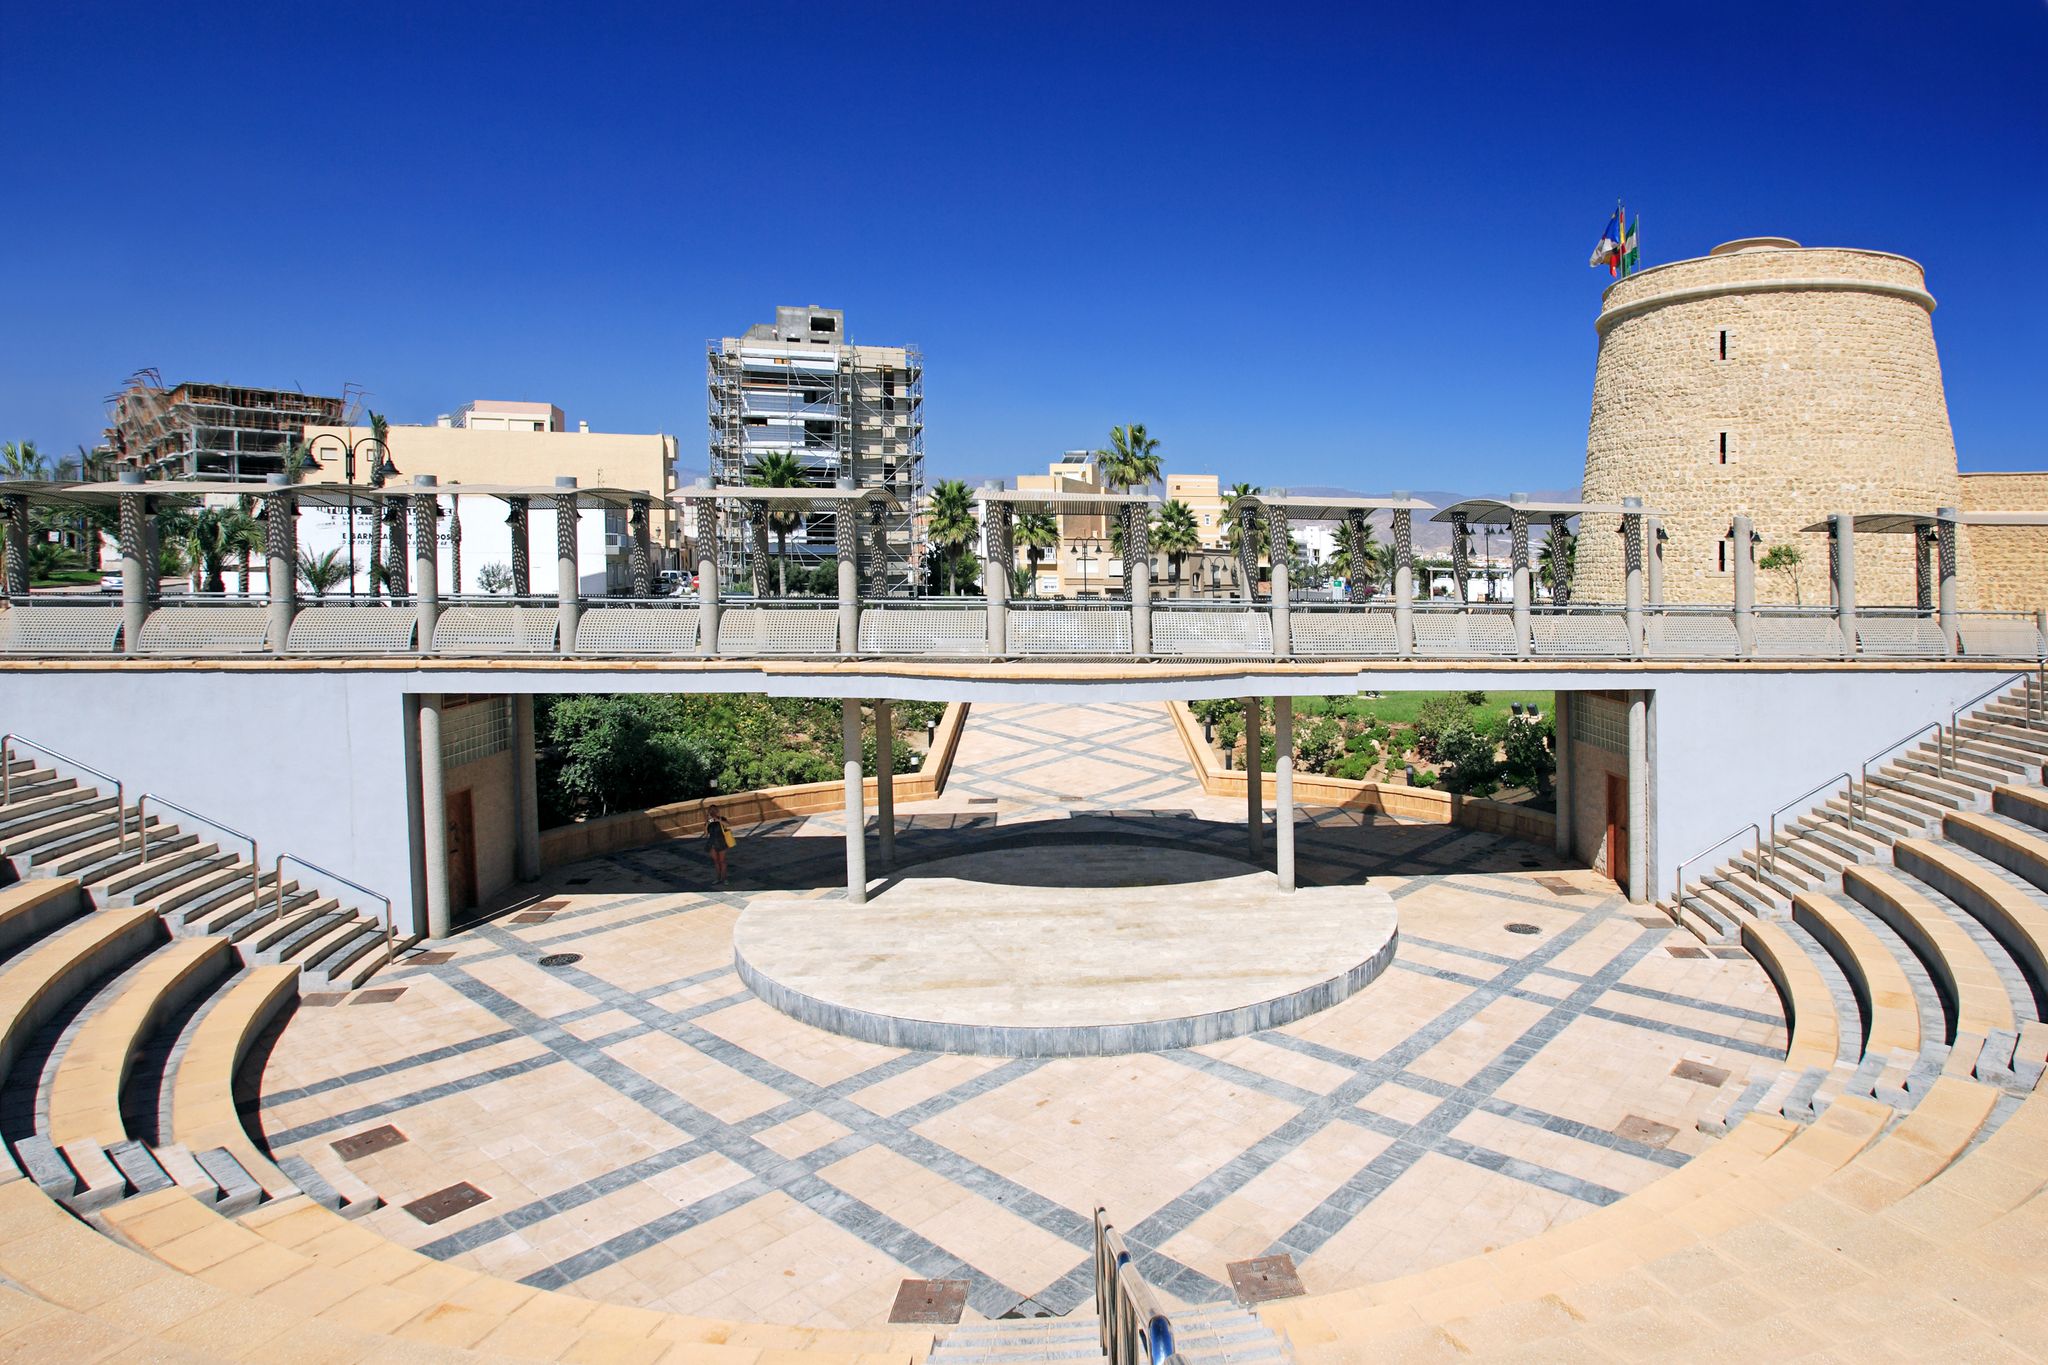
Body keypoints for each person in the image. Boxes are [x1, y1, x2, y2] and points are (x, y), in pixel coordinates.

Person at [705, 807, 730, 884]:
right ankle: (718, 878)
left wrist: (718, 820)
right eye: (711, 811)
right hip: (712, 843)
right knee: (716, 861)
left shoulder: (722, 818)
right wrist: (707, 823)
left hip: (721, 842)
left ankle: (724, 878)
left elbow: (727, 825)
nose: (713, 813)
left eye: (714, 811)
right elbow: (706, 833)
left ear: (717, 811)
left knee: (722, 861)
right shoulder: (709, 821)